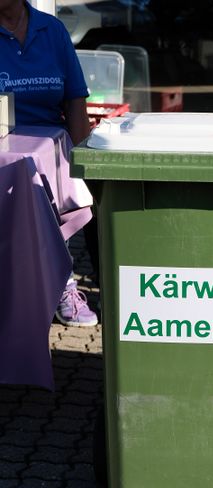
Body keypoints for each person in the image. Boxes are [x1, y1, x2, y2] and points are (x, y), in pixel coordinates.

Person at [0, 0, 98, 327]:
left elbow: (75, 100)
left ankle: (60, 284)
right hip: (3, 150)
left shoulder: (51, 30)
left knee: (44, 180)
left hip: (49, 147)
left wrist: (86, 165)